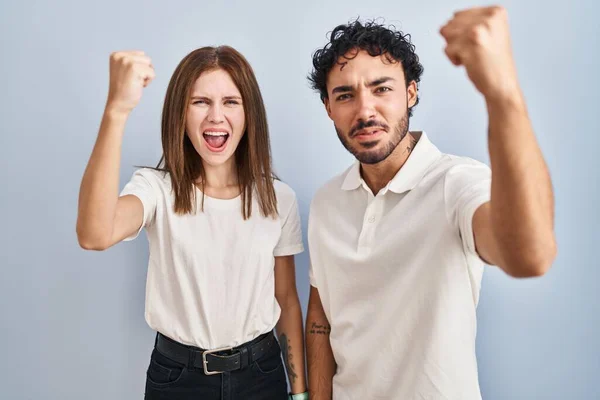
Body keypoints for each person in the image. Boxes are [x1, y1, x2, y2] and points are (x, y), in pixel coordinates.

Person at [305, 7, 557, 400]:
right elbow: (321, 316)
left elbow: (531, 256)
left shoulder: (457, 183)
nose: (365, 110)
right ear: (328, 108)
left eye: (381, 88)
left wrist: (503, 94)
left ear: (411, 92)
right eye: (345, 95)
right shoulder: (326, 202)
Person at [77, 46, 309, 400]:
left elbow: (286, 299)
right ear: (180, 114)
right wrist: (117, 110)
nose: (216, 116)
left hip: (263, 375)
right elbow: (94, 234)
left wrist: (300, 392)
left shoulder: (279, 198)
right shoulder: (156, 189)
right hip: (178, 380)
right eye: (200, 101)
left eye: (231, 101)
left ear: (250, 114)